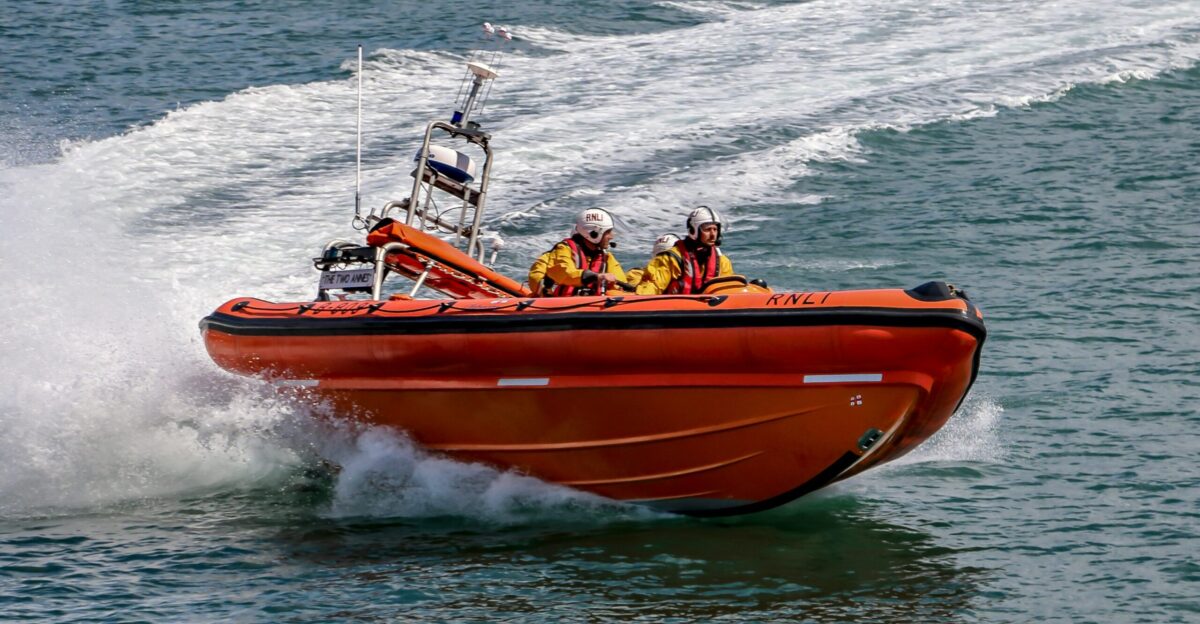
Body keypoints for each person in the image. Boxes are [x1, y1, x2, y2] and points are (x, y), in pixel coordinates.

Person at [636, 206, 734, 295]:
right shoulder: (671, 259)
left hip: (708, 310)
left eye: (715, 229)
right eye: (708, 230)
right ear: (693, 230)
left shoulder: (722, 261)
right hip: (673, 310)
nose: (713, 235)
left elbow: (728, 291)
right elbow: (651, 287)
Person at [531, 208, 627, 296]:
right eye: (608, 232)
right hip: (560, 304)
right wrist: (596, 276)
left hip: (591, 306)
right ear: (594, 233)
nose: (612, 236)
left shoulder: (606, 257)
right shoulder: (563, 249)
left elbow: (620, 283)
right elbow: (565, 273)